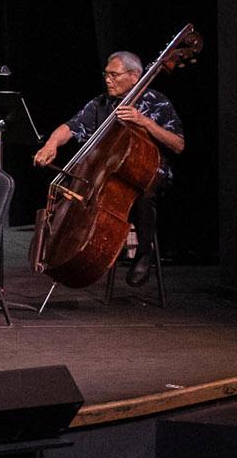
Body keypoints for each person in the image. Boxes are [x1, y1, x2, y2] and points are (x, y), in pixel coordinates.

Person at [32, 51, 183, 286]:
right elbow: (71, 126)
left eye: (114, 75)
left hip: (151, 174)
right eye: (106, 74)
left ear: (134, 76)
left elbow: (178, 144)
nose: (107, 79)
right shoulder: (101, 103)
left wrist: (144, 121)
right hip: (111, 172)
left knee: (143, 195)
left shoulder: (157, 102)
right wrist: (52, 143)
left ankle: (144, 253)